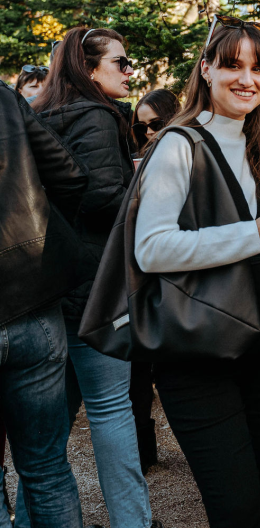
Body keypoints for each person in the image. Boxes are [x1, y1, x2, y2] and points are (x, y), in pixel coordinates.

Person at [132, 15, 260, 528]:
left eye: (259, 69)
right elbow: (152, 249)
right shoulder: (177, 144)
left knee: (257, 492)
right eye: (232, 65)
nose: (247, 79)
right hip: (197, 351)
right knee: (233, 507)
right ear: (206, 69)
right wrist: (257, 232)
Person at [30, 27, 157, 528]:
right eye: (121, 63)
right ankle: (134, 521)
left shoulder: (39, 115)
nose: (130, 72)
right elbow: (103, 198)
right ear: (88, 68)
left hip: (45, 290)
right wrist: (139, 184)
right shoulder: (99, 117)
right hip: (94, 289)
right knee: (110, 409)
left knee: (50, 429)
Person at [0, 82, 87, 528]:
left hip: (32, 302)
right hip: (32, 299)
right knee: (48, 469)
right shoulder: (3, 96)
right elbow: (70, 175)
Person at [127, 88, 180, 474]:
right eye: (140, 127)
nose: (148, 133)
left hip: (180, 281)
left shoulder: (185, 152)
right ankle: (145, 451)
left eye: (155, 124)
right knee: (142, 370)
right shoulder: (141, 159)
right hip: (144, 279)